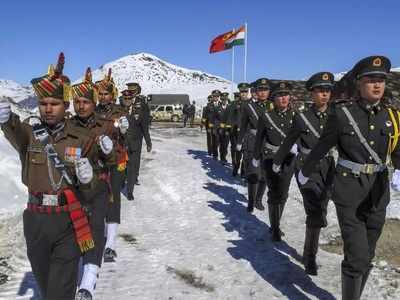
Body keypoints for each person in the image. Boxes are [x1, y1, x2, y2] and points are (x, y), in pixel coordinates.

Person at [299, 56, 400, 300]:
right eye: (370, 80)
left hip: (378, 192)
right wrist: (304, 172)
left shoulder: (393, 116)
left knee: (368, 254)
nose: (377, 85)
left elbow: (397, 151)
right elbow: (322, 146)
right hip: (349, 192)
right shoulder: (343, 114)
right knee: (357, 257)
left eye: (381, 80)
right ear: (358, 84)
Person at [0, 53, 95, 300]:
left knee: (59, 293)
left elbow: (93, 189)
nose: (48, 109)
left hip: (68, 220)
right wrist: (6, 119)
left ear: (66, 106)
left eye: (54, 103)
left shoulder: (81, 138)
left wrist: (88, 179)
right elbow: (14, 129)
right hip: (36, 221)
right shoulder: (30, 134)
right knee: (46, 286)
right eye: (43, 104)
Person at [272, 72, 335, 274]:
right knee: (314, 210)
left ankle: (311, 248)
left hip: (329, 167)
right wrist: (277, 161)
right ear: (312, 93)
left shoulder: (338, 116)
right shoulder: (303, 117)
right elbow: (289, 141)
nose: (324, 94)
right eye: (320, 90)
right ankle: (310, 257)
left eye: (327, 90)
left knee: (322, 208)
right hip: (306, 168)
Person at [70, 68, 117, 300]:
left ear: (93, 102)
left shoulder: (106, 125)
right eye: (76, 101)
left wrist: (109, 153)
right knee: (75, 230)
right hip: (73, 186)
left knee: (96, 227)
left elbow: (115, 158)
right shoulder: (68, 126)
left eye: (86, 101)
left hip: (98, 184)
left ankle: (89, 279)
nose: (81, 106)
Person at [252, 82, 296, 241]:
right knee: (274, 192)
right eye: (279, 95)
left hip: (289, 160)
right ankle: (274, 227)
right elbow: (259, 139)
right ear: (274, 98)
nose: (283, 98)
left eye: (286, 95)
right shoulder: (266, 116)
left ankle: (276, 222)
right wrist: (256, 156)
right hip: (270, 158)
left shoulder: (296, 116)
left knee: (283, 193)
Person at [95, 69, 128, 263]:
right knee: (98, 196)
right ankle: (99, 232)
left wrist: (124, 129)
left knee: (113, 197)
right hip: (98, 160)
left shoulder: (120, 111)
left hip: (116, 160)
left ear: (112, 95)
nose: (103, 97)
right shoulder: (94, 111)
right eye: (100, 93)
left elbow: (127, 136)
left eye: (106, 93)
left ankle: (111, 243)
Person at [237, 78, 273, 212]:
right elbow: (243, 126)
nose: (263, 93)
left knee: (264, 175)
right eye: (260, 90)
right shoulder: (249, 106)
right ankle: (251, 201)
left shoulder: (272, 105)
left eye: (265, 90)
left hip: (269, 143)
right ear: (256, 91)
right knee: (253, 174)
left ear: (269, 92)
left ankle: (259, 199)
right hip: (253, 142)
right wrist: (240, 142)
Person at [121, 83, 152, 200]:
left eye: (133, 91)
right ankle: (123, 180)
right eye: (129, 90)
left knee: (133, 164)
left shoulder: (141, 102)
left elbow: (144, 124)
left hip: (136, 139)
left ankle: (130, 189)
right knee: (122, 164)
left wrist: (148, 141)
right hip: (123, 140)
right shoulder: (121, 103)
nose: (131, 92)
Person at [226, 83, 249, 177]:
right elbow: (230, 117)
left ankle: (243, 171)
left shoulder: (251, 103)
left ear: (248, 92)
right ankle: (235, 167)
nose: (243, 94)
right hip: (236, 132)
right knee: (237, 152)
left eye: (245, 92)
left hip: (248, 133)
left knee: (246, 153)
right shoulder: (234, 104)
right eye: (241, 92)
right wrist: (229, 128)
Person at [218, 93, 230, 163]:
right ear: (221, 100)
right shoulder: (217, 108)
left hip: (227, 129)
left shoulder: (230, 107)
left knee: (226, 144)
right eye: (223, 100)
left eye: (225, 100)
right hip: (220, 129)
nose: (224, 101)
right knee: (221, 144)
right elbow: (215, 119)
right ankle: (222, 157)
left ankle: (224, 157)